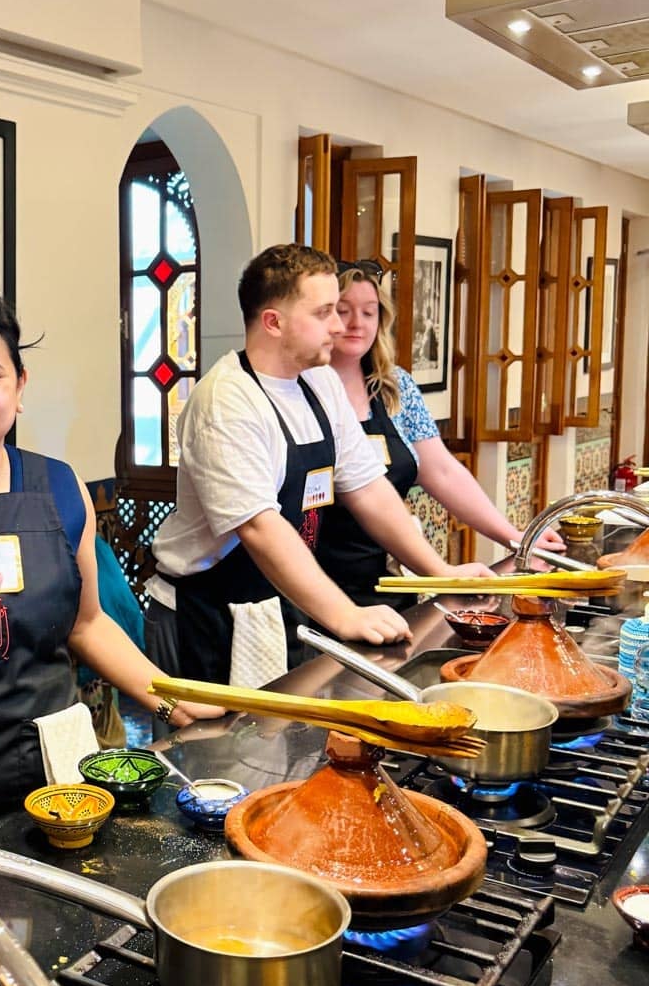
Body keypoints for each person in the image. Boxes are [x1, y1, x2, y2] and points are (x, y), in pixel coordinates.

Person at [0, 286, 219, 858]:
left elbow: (88, 624)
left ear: (19, 387)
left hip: (53, 777)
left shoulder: (58, 488)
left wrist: (171, 699)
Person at [149, 245, 492, 685]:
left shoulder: (319, 381)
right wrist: (345, 615)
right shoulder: (227, 403)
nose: (340, 326)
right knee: (207, 750)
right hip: (205, 612)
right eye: (325, 312)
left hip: (276, 600)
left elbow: (368, 487)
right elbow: (259, 527)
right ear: (273, 322)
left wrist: (439, 573)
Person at [319, 262, 563, 604]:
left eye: (369, 313)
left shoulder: (395, 386)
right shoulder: (305, 389)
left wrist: (515, 537)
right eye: (343, 312)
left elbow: (443, 472)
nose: (357, 323)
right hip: (317, 582)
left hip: (387, 576)